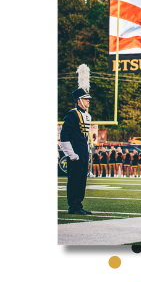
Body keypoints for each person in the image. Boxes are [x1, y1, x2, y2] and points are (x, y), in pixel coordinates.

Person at [59, 88, 93, 216]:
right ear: (79, 101)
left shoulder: (87, 115)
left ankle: (78, 204)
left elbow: (84, 138)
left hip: (83, 153)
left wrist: (87, 152)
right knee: (74, 180)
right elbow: (64, 135)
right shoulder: (72, 114)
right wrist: (71, 154)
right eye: (85, 99)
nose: (88, 101)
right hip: (75, 153)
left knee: (82, 181)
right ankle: (73, 206)